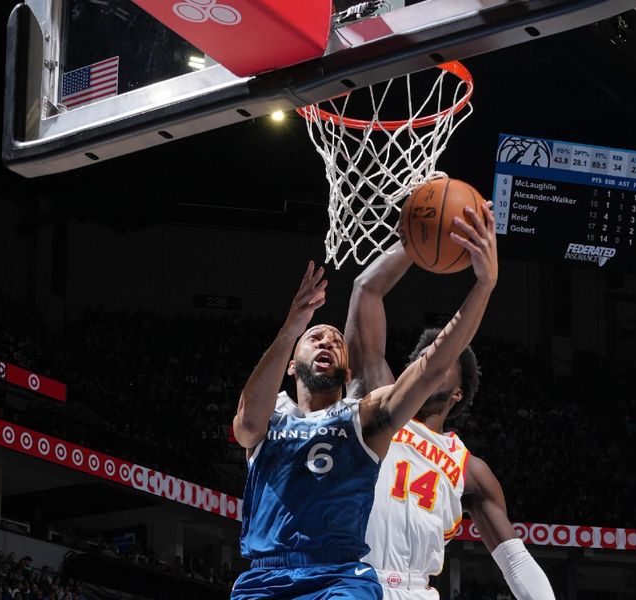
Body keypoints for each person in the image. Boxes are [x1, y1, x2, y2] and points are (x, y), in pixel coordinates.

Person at [232, 202, 498, 599]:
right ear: (290, 365)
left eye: (336, 341)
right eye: (315, 337)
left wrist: (483, 286)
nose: (327, 341)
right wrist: (291, 327)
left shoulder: (363, 419)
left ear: (349, 371)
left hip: (340, 577)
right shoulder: (269, 419)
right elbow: (245, 426)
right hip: (264, 578)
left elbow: (430, 366)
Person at [345, 238, 555, 599]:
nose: (431, 361)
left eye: (442, 361)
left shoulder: (470, 469)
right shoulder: (380, 405)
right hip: (354, 581)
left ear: (457, 392)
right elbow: (365, 290)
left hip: (416, 589)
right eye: (425, 357)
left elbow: (515, 562)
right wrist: (412, 240)